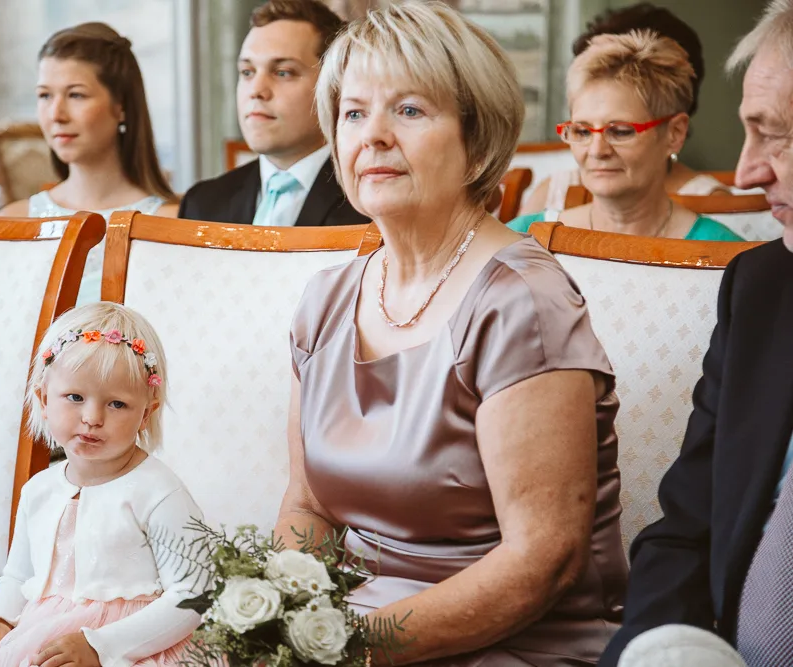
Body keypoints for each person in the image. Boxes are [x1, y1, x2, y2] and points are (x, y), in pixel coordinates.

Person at [276, 4, 627, 665]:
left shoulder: (521, 300)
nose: (372, 136)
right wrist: (285, 623)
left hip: (513, 642)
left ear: (477, 138)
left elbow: (543, 560)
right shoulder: (325, 299)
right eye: (354, 113)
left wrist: (346, 647)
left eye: (408, 110)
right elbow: (307, 505)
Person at [599, 2, 793, 666]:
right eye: (750, 132)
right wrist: (654, 651)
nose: (748, 173)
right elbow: (686, 530)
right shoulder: (761, 289)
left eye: (781, 137)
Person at [0, 302, 203, 667]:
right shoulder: (39, 489)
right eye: (75, 397)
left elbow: (192, 594)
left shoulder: (159, 492)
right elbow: (18, 573)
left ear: (145, 413)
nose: (92, 418)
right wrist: (0, 619)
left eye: (117, 404)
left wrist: (101, 646)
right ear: (43, 399)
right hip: (44, 633)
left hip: (130, 644)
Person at [0, 23, 179, 304]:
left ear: (121, 106)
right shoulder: (14, 221)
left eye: (76, 95)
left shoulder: (167, 224)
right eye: (45, 95)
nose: (56, 114)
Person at [508, 31, 742, 241]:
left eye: (620, 131)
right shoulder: (524, 236)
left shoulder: (725, 253)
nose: (597, 151)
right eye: (582, 131)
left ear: (674, 134)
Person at [178, 0, 368, 227]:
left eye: (282, 72)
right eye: (247, 72)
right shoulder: (202, 204)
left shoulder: (368, 201)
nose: (257, 90)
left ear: (334, 86)